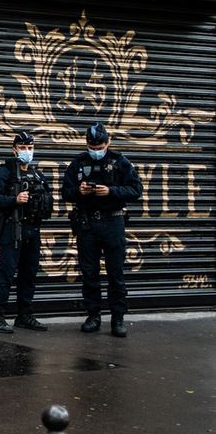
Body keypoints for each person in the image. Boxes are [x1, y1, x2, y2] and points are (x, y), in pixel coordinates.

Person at [61, 123, 142, 337]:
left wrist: (111, 191)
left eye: (100, 145)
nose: (96, 149)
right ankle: (93, 315)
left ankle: (118, 318)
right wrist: (79, 191)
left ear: (108, 142)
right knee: (90, 273)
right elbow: (65, 192)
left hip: (113, 222)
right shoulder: (78, 163)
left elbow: (136, 189)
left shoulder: (119, 161)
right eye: (92, 145)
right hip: (87, 224)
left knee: (116, 273)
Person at [0, 130, 54, 333]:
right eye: (22, 148)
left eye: (30, 148)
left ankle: (24, 314)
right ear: (14, 149)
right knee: (7, 272)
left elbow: (46, 199)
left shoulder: (37, 174)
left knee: (29, 273)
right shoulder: (2, 173)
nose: (27, 152)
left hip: (32, 229)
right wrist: (13, 200)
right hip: (12, 228)